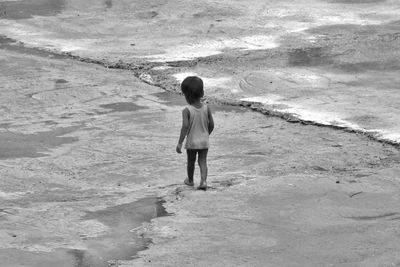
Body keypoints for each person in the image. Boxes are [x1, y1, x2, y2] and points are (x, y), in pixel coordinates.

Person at [176, 76, 214, 190]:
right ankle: (203, 181)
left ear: (186, 95)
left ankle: (190, 180)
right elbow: (211, 124)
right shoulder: (207, 108)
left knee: (191, 161)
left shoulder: (187, 110)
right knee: (202, 161)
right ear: (202, 93)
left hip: (192, 141)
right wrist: (206, 134)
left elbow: (185, 126)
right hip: (204, 140)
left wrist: (180, 143)